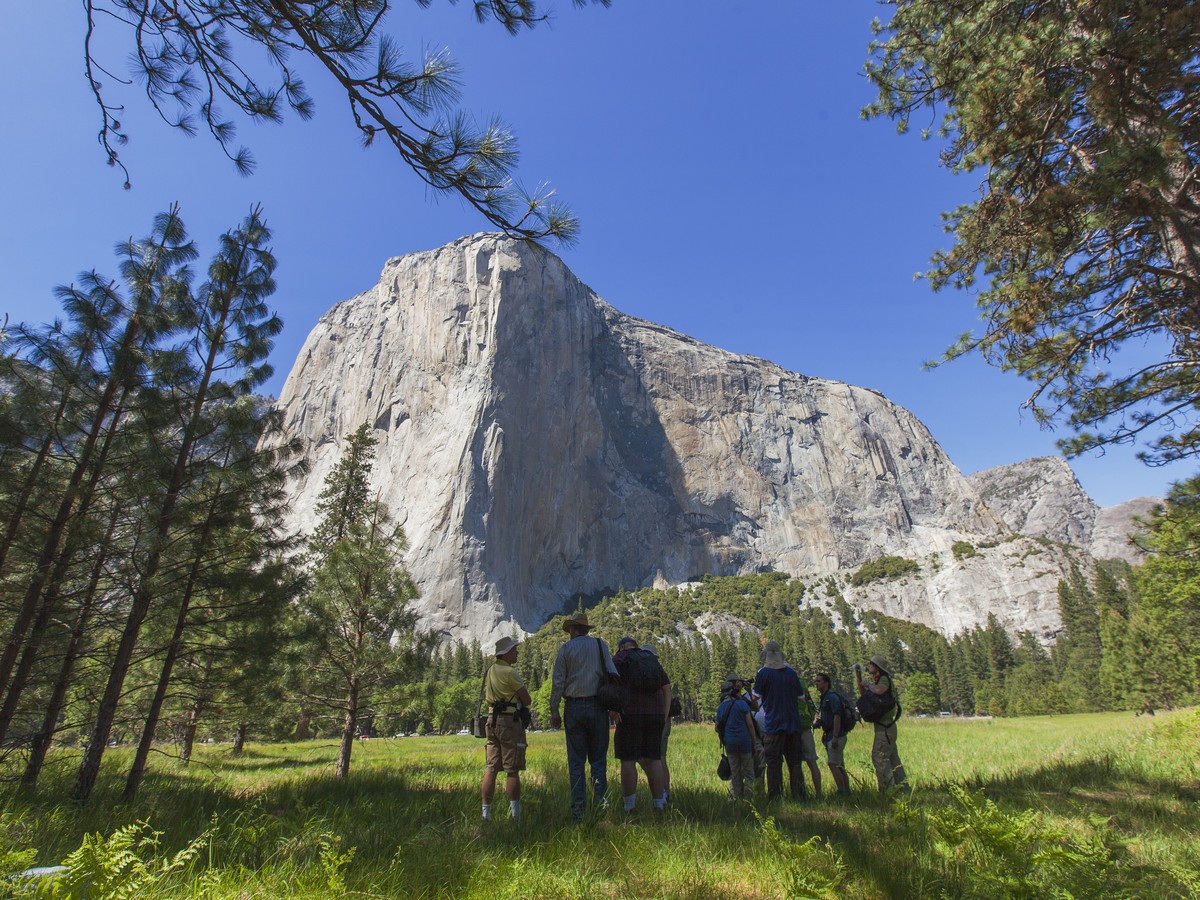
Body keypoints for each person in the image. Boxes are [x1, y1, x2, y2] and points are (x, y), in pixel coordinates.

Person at [549, 612, 620, 820]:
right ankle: (601, 808)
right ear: (586, 629)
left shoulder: (565, 650)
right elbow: (612, 674)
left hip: (574, 708)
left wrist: (554, 711)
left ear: (572, 630)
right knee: (598, 761)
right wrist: (614, 706)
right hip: (598, 707)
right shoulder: (600, 645)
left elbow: (558, 684)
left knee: (576, 762)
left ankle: (578, 812)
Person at [753, 641, 821, 800]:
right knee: (795, 763)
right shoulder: (791, 674)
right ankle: (799, 795)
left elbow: (755, 698)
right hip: (793, 725)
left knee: (773, 763)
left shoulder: (763, 674)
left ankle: (775, 797)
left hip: (773, 726)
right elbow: (802, 698)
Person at [611, 637, 672, 812]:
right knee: (654, 760)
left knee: (628, 760)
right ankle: (659, 804)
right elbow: (667, 687)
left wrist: (614, 708)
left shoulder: (621, 658)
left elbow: (610, 682)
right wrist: (664, 715)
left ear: (622, 647)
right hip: (655, 716)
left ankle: (629, 807)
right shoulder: (650, 659)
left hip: (630, 715)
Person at [481, 636, 532, 822]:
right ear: (506, 653)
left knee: (491, 767)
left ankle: (486, 814)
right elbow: (527, 700)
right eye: (514, 650)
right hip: (509, 721)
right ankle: (515, 816)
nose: (517, 652)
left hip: (491, 721)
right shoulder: (510, 673)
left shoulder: (491, 670)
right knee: (512, 769)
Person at [856, 654, 909, 794]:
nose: (869, 666)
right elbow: (864, 695)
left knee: (879, 757)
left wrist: (868, 684)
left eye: (871, 664)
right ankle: (903, 788)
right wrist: (859, 678)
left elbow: (879, 690)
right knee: (893, 759)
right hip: (887, 728)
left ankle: (888, 791)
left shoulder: (883, 679)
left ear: (877, 667)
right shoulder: (877, 680)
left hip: (884, 728)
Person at [641, 643, 674, 803]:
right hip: (661, 719)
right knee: (659, 758)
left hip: (657, 719)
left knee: (655, 758)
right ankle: (663, 793)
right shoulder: (660, 672)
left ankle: (662, 794)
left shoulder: (648, 672)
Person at [715, 676, 757, 801]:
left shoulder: (721, 707)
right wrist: (754, 742)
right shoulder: (741, 704)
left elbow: (717, 728)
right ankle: (749, 799)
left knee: (735, 773)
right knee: (749, 772)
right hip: (744, 742)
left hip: (730, 744)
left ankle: (736, 799)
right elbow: (750, 725)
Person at [812, 672, 851, 796]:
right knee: (839, 765)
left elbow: (837, 716)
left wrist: (835, 736)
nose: (816, 683)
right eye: (816, 681)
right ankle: (847, 791)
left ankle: (841, 791)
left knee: (832, 764)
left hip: (836, 736)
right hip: (830, 735)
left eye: (819, 681)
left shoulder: (832, 697)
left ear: (826, 683)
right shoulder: (824, 698)